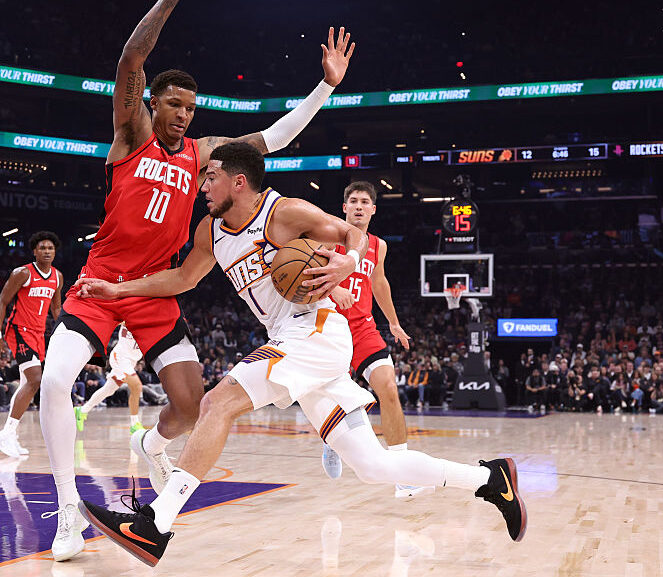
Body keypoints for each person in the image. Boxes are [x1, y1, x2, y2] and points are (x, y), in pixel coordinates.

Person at [76, 143, 526, 565]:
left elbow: (349, 232)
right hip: (297, 340)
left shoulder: (284, 211)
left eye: (209, 176)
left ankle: (154, 524)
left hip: (314, 329)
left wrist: (349, 261)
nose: (201, 186)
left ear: (238, 181)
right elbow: (181, 279)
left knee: (217, 402)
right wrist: (118, 288)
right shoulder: (210, 230)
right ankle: (491, 480)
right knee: (373, 465)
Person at [35, 0, 356, 561]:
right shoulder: (131, 135)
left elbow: (272, 138)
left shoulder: (204, 156)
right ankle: (67, 512)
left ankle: (152, 446)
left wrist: (325, 87)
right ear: (153, 103)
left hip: (156, 287)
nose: (183, 115)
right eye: (174, 104)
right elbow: (132, 57)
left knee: (191, 405)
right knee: (57, 378)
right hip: (103, 282)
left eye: (190, 107)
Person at [319, 181, 424, 498]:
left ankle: (403, 473)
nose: (360, 206)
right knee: (338, 399)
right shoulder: (326, 234)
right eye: (354, 201)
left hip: (363, 327)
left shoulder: (378, 245)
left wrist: (393, 322)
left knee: (388, 388)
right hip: (328, 324)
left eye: (365, 201)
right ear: (345, 208)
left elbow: (378, 282)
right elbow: (301, 265)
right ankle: (334, 442)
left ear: (373, 209)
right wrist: (332, 286)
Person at [0, 231, 62, 457]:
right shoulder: (22, 273)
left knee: (26, 383)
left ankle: (9, 435)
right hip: (19, 330)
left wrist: (63, 333)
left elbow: (56, 309)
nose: (47, 252)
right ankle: (7, 432)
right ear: (34, 251)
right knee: (35, 379)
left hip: (39, 333)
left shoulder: (57, 277)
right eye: (42, 248)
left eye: (50, 248)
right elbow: (3, 300)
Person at [75, 324, 147, 434]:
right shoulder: (128, 313)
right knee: (136, 386)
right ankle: (134, 424)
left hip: (132, 361)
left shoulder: (151, 321)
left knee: (109, 389)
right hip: (120, 357)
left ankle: (82, 410)